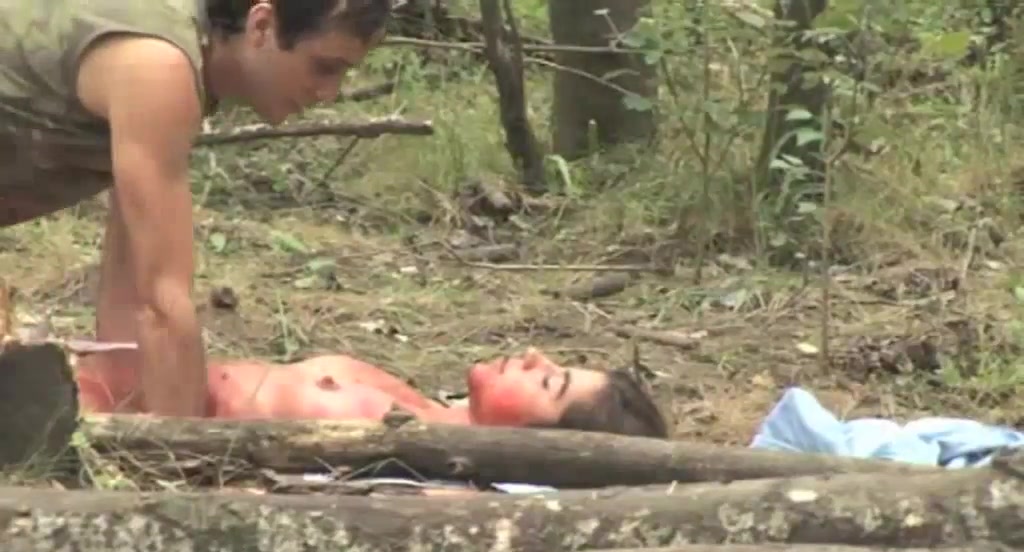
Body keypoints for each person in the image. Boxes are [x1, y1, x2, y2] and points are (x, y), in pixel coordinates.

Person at [0, 0, 391, 417]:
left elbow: (133, 276)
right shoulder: (157, 64)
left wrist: (132, 406)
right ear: (261, 25)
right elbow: (163, 304)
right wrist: (185, 445)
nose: (328, 93)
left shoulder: (176, 53)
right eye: (324, 67)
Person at [75, 347, 671, 438]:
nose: (536, 356)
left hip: (80, 428)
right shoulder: (424, 411)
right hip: (84, 383)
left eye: (548, 383)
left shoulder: (415, 478)